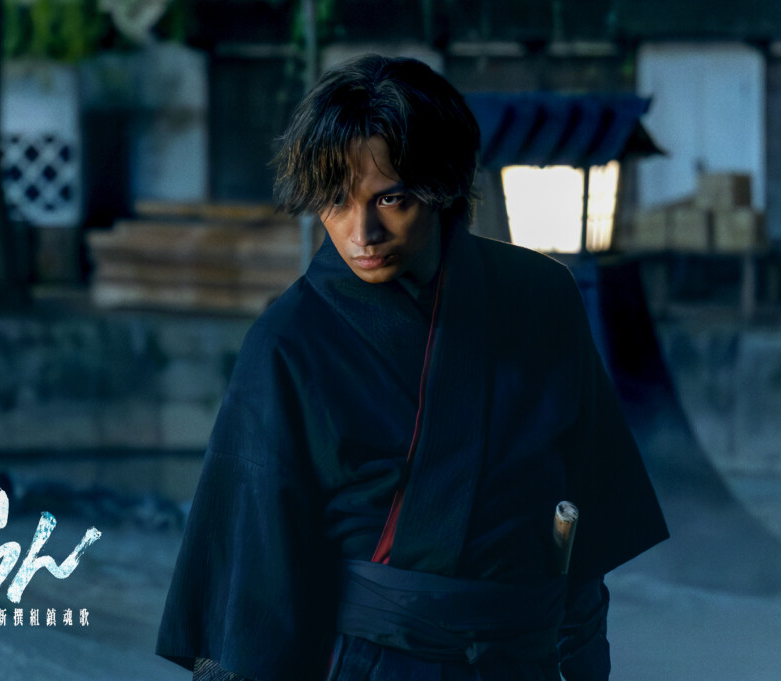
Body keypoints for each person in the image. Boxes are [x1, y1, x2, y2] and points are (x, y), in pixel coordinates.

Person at [156, 54, 668, 681]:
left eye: (390, 198)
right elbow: (253, 571)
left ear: (440, 184)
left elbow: (583, 509)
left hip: (522, 658)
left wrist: (584, 659)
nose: (362, 232)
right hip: (373, 662)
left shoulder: (542, 296)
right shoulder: (290, 340)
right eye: (336, 201)